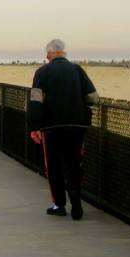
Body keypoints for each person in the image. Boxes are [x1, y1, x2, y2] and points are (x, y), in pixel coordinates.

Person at [27, 39, 99, 220]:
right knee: (74, 163)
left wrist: (34, 127)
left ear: (48, 55)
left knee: (54, 166)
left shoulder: (42, 72)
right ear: (65, 53)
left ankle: (59, 204)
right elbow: (93, 97)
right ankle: (75, 194)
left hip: (51, 128)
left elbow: (36, 101)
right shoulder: (77, 70)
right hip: (76, 127)